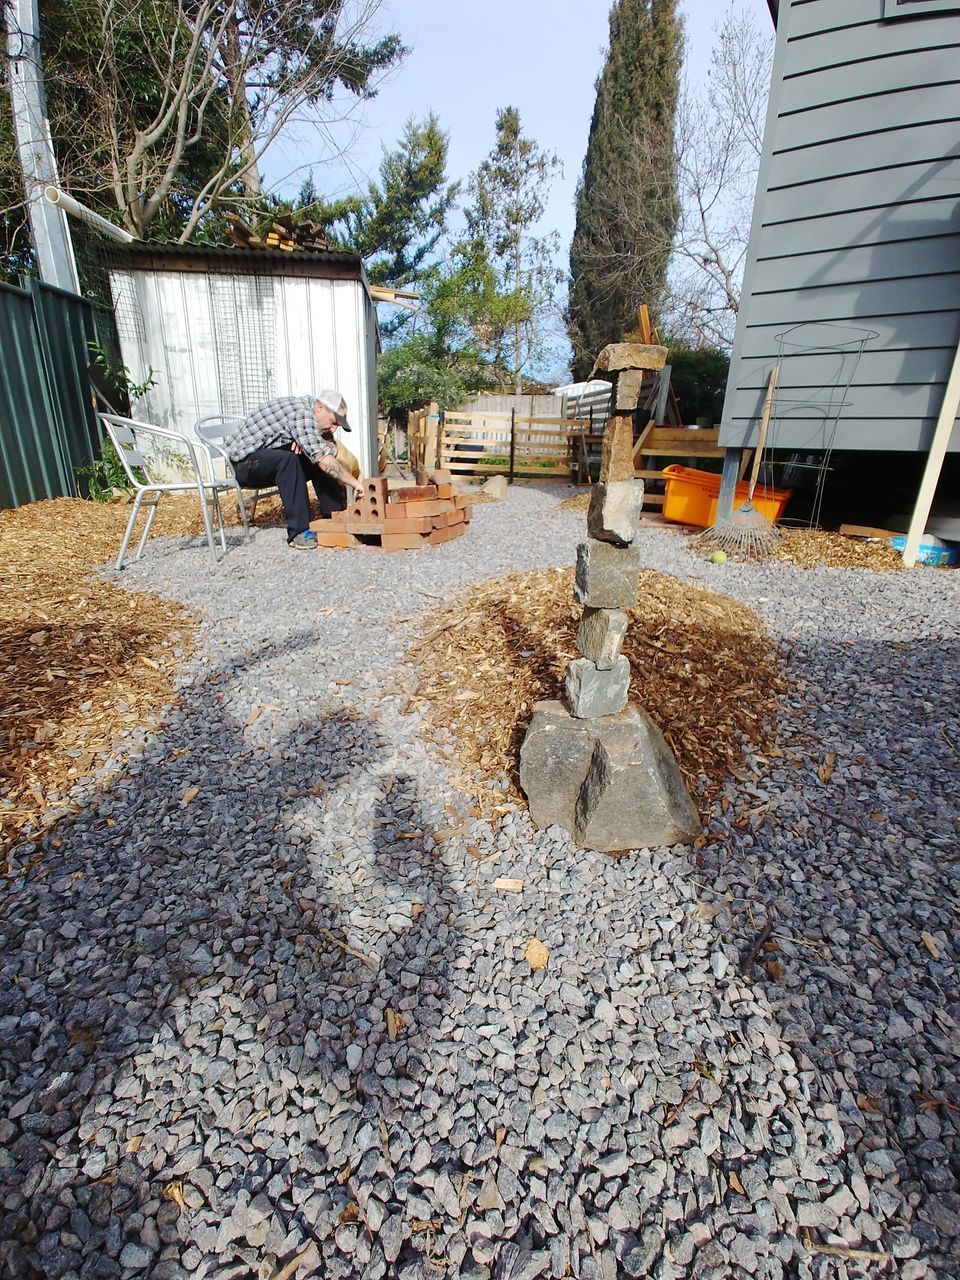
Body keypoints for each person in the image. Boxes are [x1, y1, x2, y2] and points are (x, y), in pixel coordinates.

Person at [225, 392, 364, 548]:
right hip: (244, 465)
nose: (333, 429)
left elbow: (328, 450)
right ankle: (299, 532)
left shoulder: (311, 417)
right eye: (333, 422)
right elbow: (324, 459)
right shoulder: (302, 414)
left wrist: (305, 440)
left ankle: (335, 518)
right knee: (291, 460)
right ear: (320, 408)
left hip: (266, 458)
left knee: (311, 458)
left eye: (337, 426)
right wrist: (356, 484)